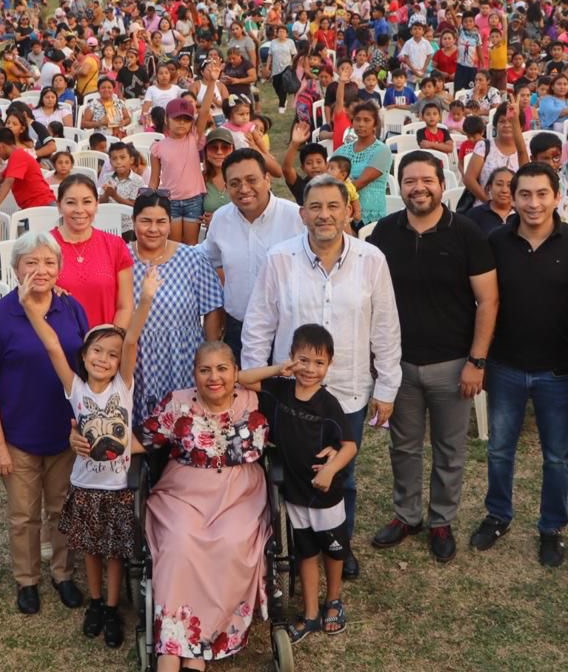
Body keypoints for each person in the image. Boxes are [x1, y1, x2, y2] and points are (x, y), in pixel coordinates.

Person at [242, 174, 402, 580]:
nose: (324, 215)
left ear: (349, 211)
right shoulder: (280, 258)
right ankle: (293, 551)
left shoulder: (372, 259)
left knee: (341, 475)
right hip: (289, 398)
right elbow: (259, 324)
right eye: (315, 207)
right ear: (302, 214)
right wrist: (255, 392)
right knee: (288, 473)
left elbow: (385, 327)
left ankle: (337, 547)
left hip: (347, 391)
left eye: (333, 206)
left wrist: (387, 387)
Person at [368, 152, 497, 563]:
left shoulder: (467, 233)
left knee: (449, 448)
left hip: (452, 364)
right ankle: (407, 515)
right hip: (398, 364)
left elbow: (488, 301)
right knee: (403, 447)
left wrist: (476, 361)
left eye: (427, 180)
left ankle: (441, 519)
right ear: (399, 185)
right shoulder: (383, 234)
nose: (418, 187)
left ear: (443, 184)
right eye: (409, 181)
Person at [471, 162, 568, 567]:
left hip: (559, 369)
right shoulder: (495, 241)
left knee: (557, 455)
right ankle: (498, 515)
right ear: (512, 196)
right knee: (499, 450)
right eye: (523, 194)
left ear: (556, 196)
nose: (532, 203)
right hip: (506, 364)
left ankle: (551, 527)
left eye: (541, 194)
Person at [33, 267, 156, 649]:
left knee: (116, 552)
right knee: (90, 549)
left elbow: (132, 337)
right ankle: (97, 604)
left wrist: (147, 296)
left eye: (112, 354)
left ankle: (113, 606)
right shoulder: (76, 389)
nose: (105, 358)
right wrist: (29, 305)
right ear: (84, 356)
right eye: (97, 351)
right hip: (85, 485)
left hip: (117, 486)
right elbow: (53, 346)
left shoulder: (124, 386)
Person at [0, 231, 88, 617]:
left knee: (62, 509)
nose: (41, 270)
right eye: (31, 262)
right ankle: (27, 579)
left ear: (59, 268)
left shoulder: (71, 309)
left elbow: (87, 367)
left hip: (65, 433)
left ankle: (62, 573)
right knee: (23, 515)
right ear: (16, 267)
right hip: (18, 434)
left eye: (49, 262)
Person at [136, 341, 272, 670]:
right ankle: (173, 645)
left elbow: (304, 411)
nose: (214, 377)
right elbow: (141, 439)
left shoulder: (255, 401)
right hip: (184, 492)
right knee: (180, 542)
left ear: (236, 372)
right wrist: (94, 439)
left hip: (239, 495)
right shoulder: (177, 403)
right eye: (205, 369)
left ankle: (197, 646)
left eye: (222, 368)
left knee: (230, 543)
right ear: (194, 374)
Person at [237, 324, 358, 641]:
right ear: (292, 358)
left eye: (319, 363)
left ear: (329, 365)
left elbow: (349, 446)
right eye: (303, 360)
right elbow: (241, 378)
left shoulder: (328, 404)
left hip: (325, 494)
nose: (310, 369)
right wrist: (280, 369)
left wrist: (330, 470)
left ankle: (333, 601)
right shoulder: (278, 389)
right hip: (294, 493)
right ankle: (310, 613)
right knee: (304, 552)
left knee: (332, 550)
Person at [128, 192, 224, 421]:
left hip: (184, 355)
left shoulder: (191, 258)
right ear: (133, 222)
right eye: (145, 221)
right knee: (145, 425)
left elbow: (213, 308)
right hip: (138, 357)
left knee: (185, 422)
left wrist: (210, 354)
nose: (153, 229)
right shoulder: (121, 258)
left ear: (170, 224)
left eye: (161, 221)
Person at [204, 148, 303, 360]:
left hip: (287, 328)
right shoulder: (221, 219)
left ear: (267, 179)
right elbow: (206, 257)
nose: (243, 189)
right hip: (238, 326)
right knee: (243, 392)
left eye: (251, 180)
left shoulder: (295, 217)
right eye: (235, 183)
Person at [50, 175, 134, 329]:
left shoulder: (115, 245)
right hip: (58, 345)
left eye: (87, 202)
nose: (79, 210)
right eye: (70, 203)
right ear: (59, 206)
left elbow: (125, 307)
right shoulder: (44, 246)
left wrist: (110, 343)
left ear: (96, 204)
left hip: (106, 345)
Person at [150, 93, 216, 245]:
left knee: (191, 245)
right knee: (174, 245)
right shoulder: (157, 148)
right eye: (177, 119)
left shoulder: (194, 138)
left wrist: (212, 81)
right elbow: (154, 179)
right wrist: (148, 200)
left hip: (194, 200)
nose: (182, 123)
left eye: (186, 120)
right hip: (170, 201)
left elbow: (204, 112)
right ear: (166, 119)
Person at [332, 101, 392, 224]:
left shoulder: (382, 150)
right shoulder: (342, 150)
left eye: (366, 120)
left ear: (375, 124)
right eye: (357, 120)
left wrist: (330, 196)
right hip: (342, 213)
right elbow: (328, 177)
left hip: (369, 217)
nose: (361, 124)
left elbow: (359, 183)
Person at [0, 128, 55, 211]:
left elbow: (8, 182)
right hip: (37, 206)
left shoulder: (18, 155)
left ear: (0, 145)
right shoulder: (16, 156)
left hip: (43, 205)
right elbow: (1, 177)